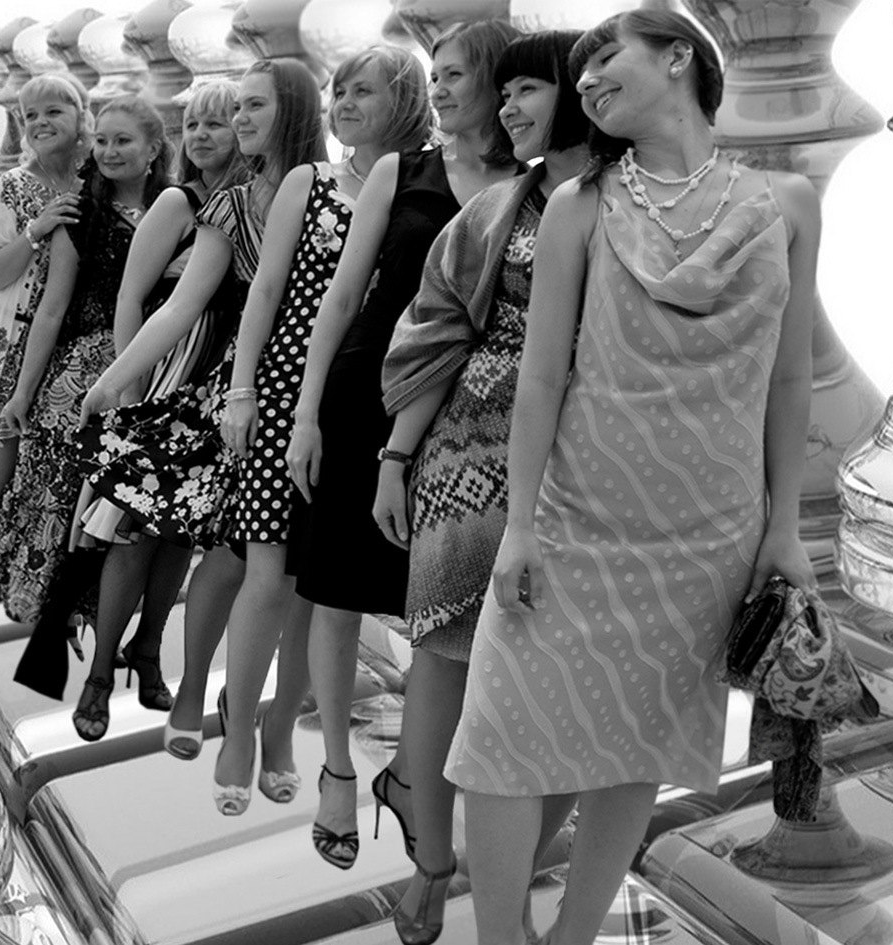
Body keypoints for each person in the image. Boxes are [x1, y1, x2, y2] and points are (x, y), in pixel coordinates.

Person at [443, 12, 820, 945]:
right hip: (575, 518)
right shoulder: (581, 205)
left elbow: (789, 377)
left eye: (605, 57)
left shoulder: (789, 202)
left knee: (637, 737)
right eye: (580, 73)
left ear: (679, 54)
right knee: (498, 738)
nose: (587, 81)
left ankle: (573, 935)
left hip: (708, 533)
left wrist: (784, 525)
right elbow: (541, 376)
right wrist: (519, 525)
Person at [283, 16, 520, 896]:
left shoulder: (531, 183)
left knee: (434, 606)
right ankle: (339, 767)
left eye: (457, 74)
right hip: (362, 397)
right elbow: (344, 295)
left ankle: (414, 777)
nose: (442, 88)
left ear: (496, 83)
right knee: (337, 589)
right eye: (437, 74)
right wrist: (305, 412)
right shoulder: (401, 170)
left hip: (467, 418)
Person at [372, 30, 590, 943]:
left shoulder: (636, 204)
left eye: (528, 88)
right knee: (445, 650)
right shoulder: (502, 207)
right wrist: (395, 460)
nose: (507, 105)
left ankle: (502, 873)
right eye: (503, 91)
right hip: (470, 450)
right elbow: (435, 331)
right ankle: (431, 859)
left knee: (571, 670)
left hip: (590, 461)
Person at [75, 59, 327, 755]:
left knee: (250, 555)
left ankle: (228, 692)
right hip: (231, 385)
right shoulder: (228, 205)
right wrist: (115, 382)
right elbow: (175, 305)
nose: (237, 122)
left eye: (251, 108)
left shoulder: (340, 192)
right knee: (163, 530)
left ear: (295, 111)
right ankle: (127, 677)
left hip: (315, 386)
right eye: (228, 111)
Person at [217, 46, 433, 848]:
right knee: (268, 574)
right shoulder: (312, 183)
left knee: (323, 585)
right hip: (287, 390)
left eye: (363, 91)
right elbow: (266, 289)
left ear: (404, 99)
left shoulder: (422, 187)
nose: (343, 103)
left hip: (373, 396)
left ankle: (282, 729)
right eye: (338, 91)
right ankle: (239, 732)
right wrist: (242, 390)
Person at [58, 80, 250, 739]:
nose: (202, 136)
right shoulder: (178, 201)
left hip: (217, 380)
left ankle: (148, 648)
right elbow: (131, 298)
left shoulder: (257, 202)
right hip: (164, 372)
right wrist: (132, 384)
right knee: (132, 527)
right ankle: (99, 675)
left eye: (216, 123)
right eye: (192, 124)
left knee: (179, 529)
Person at [0, 96, 175, 634]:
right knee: (51, 499)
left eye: (122, 141)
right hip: (74, 371)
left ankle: (114, 624)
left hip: (160, 371)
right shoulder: (75, 213)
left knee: (130, 509)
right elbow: (48, 308)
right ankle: (50, 617)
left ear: (153, 149)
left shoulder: (179, 208)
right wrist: (22, 392)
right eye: (103, 141)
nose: (109, 151)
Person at [0, 73, 89, 525]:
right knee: (2, 477)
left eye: (54, 111)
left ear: (81, 117)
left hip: (73, 349)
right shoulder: (11, 187)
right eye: (30, 115)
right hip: (12, 348)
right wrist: (37, 229)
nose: (40, 122)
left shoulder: (95, 182)